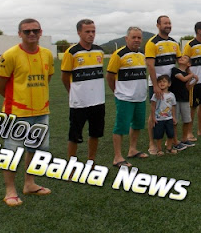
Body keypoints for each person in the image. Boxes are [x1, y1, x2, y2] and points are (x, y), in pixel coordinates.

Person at [0, 18, 54, 207]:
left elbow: (47, 79)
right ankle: (10, 191)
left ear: (40, 32)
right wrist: (18, 101)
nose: (31, 34)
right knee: (12, 154)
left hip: (41, 111)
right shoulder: (10, 55)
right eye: (27, 31)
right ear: (20, 34)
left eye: (35, 30)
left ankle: (29, 184)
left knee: (37, 150)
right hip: (16, 113)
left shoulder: (47, 54)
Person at [61, 19, 105, 163]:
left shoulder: (99, 51)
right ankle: (71, 164)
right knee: (74, 134)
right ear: (79, 32)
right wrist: (73, 92)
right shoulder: (72, 52)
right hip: (79, 103)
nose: (91, 34)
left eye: (93, 31)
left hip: (98, 101)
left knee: (95, 133)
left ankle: (91, 161)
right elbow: (65, 77)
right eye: (87, 31)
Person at [106, 26, 149, 168]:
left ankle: (132, 149)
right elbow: (110, 77)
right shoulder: (119, 55)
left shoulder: (143, 54)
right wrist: (117, 92)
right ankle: (117, 157)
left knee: (137, 125)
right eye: (133, 37)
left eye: (139, 37)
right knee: (121, 127)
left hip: (140, 97)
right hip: (124, 98)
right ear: (126, 38)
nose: (136, 40)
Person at [144, 15, 182, 155]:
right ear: (158, 25)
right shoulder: (152, 43)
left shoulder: (174, 42)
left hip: (171, 85)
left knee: (170, 111)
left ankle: (171, 141)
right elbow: (150, 65)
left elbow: (179, 61)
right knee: (154, 112)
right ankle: (152, 143)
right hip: (157, 85)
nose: (168, 25)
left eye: (169, 23)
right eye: (165, 23)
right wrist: (155, 86)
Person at [170, 55, 195, 148]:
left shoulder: (187, 74)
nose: (181, 58)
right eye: (181, 58)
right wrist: (192, 75)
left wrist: (195, 80)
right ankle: (174, 141)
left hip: (184, 98)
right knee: (174, 121)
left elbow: (188, 87)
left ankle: (184, 139)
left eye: (184, 58)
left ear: (188, 64)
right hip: (175, 100)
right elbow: (183, 79)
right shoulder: (175, 70)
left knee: (187, 120)